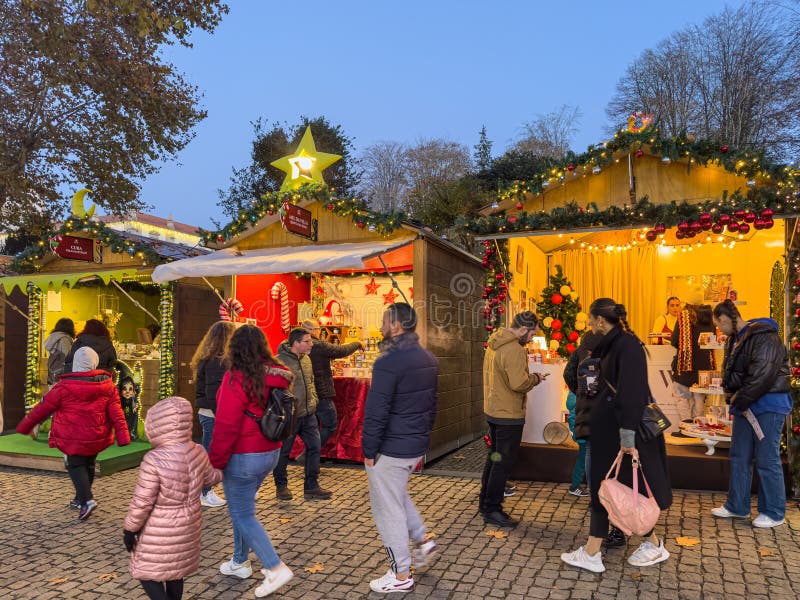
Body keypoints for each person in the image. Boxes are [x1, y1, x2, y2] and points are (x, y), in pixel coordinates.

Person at [561, 298, 672, 573]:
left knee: (616, 489)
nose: (588, 324)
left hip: (621, 434)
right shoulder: (611, 345)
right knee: (613, 491)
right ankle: (643, 545)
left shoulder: (627, 345)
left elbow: (632, 392)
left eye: (590, 319)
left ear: (600, 320)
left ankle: (594, 552)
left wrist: (626, 438)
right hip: (608, 433)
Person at [209, 324, 295, 598]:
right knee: (241, 508)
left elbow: (225, 425)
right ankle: (239, 561)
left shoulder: (236, 378)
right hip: (269, 452)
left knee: (243, 514)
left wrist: (215, 463)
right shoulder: (278, 377)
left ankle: (274, 567)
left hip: (243, 455)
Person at [363, 303, 439, 594]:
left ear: (395, 326)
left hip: (391, 448)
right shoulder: (428, 357)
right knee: (397, 497)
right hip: (413, 444)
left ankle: (401, 575)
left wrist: (369, 450)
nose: (381, 326)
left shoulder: (387, 362)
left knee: (388, 510)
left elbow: (376, 411)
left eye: (384, 321)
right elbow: (432, 405)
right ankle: (423, 541)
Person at [123, 396, 223, 600]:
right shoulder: (198, 451)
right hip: (189, 524)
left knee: (146, 573)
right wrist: (226, 467)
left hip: (160, 527)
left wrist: (130, 528)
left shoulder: (154, 460)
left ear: (157, 424)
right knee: (175, 570)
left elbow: (143, 501)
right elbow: (211, 478)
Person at [16, 346, 130, 519]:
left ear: (75, 363)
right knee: (89, 464)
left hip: (72, 437)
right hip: (95, 436)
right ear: (94, 363)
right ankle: (80, 498)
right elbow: (117, 413)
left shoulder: (63, 387)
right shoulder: (107, 385)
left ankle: (87, 500)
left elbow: (43, 409)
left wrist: (25, 426)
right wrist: (123, 436)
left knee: (75, 465)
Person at [710, 300, 790, 528]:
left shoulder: (765, 336)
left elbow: (762, 376)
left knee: (767, 458)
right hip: (746, 405)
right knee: (739, 455)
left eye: (718, 325)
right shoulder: (735, 339)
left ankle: (774, 512)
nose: (719, 330)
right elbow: (733, 374)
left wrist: (738, 400)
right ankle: (737, 506)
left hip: (768, 405)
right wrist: (733, 398)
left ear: (724, 319)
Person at [479, 311, 545, 528]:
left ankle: (485, 503)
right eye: (532, 334)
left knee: (495, 457)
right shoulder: (514, 349)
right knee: (502, 463)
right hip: (508, 414)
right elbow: (518, 384)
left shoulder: (496, 342)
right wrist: (535, 378)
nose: (532, 339)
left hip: (494, 409)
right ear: (524, 329)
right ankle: (492, 509)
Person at [563, 330, 627, 549]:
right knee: (610, 481)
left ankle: (605, 537)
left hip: (596, 424)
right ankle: (611, 532)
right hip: (608, 425)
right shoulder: (616, 352)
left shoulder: (585, 350)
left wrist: (581, 393)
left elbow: (568, 374)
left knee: (601, 482)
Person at [273, 327, 331, 501]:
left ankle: (311, 486)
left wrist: (313, 401)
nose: (311, 344)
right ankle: (281, 486)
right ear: (296, 343)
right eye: (307, 341)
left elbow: (311, 382)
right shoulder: (279, 362)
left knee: (314, 447)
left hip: (308, 414)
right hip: (289, 416)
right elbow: (274, 390)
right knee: (284, 452)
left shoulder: (307, 360)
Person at [191, 320, 236, 508]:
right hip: (214, 415)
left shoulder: (210, 358)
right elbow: (215, 393)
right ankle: (204, 492)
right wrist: (224, 416)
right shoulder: (216, 361)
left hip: (213, 413)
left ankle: (224, 489)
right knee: (211, 455)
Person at [302, 318, 364, 450]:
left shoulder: (296, 345)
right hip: (321, 391)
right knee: (330, 425)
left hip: (305, 392)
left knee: (312, 425)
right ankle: (310, 452)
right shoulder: (318, 345)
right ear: (312, 330)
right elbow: (340, 351)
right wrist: (357, 343)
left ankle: (311, 460)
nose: (320, 332)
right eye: (319, 329)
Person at [671, 303, 716, 421]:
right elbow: (713, 339)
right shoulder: (710, 317)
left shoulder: (684, 317)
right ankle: (698, 427)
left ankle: (687, 426)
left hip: (686, 364)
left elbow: (674, 341)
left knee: (681, 397)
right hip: (705, 364)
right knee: (699, 398)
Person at [45, 318, 75, 386]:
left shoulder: (52, 337)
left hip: (52, 373)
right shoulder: (64, 339)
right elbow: (68, 356)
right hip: (61, 375)